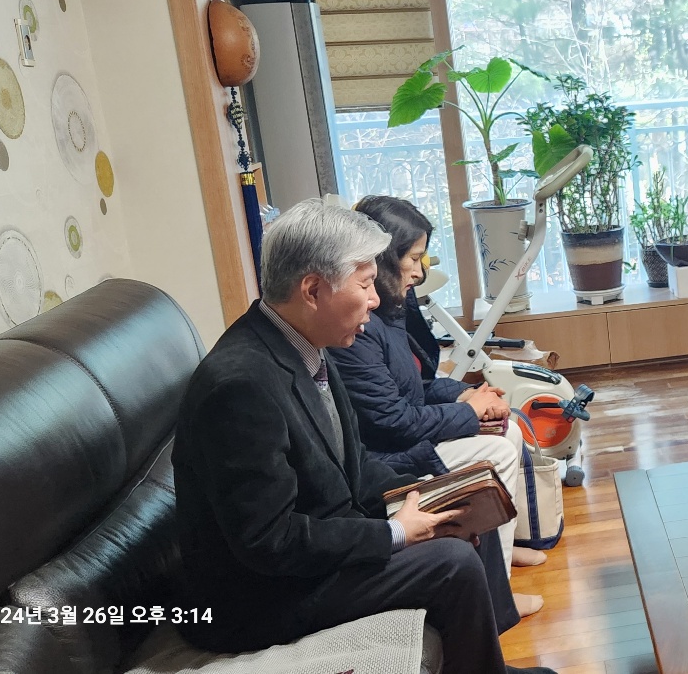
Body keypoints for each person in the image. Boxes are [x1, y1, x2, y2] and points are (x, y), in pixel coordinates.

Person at [171, 199, 548, 674]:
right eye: (366, 284)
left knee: (461, 504)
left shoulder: (307, 345)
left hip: (314, 554)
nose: (375, 299)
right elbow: (270, 540)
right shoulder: (240, 387)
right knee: (451, 563)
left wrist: (430, 494)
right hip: (261, 598)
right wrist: (394, 532)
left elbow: (356, 464)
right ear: (313, 290)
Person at [329, 195, 546, 617]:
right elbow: (392, 420)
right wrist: (469, 411)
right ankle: (495, 597)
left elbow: (418, 383)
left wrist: (466, 396)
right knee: (496, 451)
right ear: (384, 259)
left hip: (404, 434)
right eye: (413, 258)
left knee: (511, 430)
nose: (419, 271)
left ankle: (500, 555)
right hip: (388, 453)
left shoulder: (393, 309)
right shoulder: (360, 328)